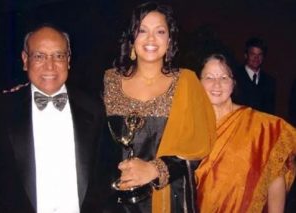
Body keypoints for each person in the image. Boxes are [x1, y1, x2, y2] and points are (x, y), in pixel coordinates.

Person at [101, 2, 216, 213]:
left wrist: (154, 169)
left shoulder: (186, 82)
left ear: (169, 39)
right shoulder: (109, 80)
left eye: (160, 31)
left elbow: (201, 147)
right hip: (116, 201)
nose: (151, 39)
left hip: (170, 198)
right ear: (131, 38)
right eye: (142, 30)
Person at [0, 24, 106, 212]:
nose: (50, 65)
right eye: (39, 56)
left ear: (68, 60)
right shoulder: (2, 110)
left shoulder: (94, 109)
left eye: (58, 56)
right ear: (25, 60)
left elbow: (104, 177)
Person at [195, 53, 296, 212]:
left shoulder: (259, 126)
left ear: (233, 83)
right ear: (198, 82)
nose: (217, 84)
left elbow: (275, 175)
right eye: (209, 77)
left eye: (224, 77)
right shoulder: (188, 126)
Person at [234, 37, 276, 114]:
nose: (256, 58)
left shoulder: (270, 81)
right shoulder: (234, 77)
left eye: (259, 55)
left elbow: (270, 112)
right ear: (246, 55)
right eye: (253, 54)